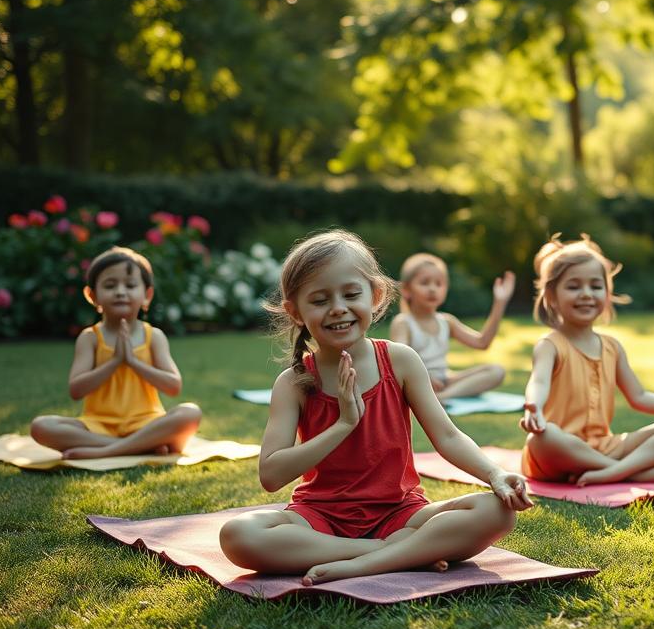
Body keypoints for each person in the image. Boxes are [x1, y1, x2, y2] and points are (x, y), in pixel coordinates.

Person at [219, 229, 532, 585]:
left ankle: (363, 562)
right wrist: (343, 424)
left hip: (401, 515)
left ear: (376, 295)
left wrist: (494, 474)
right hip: (320, 520)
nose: (338, 308)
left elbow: (447, 435)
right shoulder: (292, 383)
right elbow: (271, 475)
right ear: (295, 312)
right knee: (238, 535)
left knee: (497, 512)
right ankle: (393, 553)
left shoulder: (400, 361)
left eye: (351, 294)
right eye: (320, 300)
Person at [519, 234, 654, 486]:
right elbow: (538, 382)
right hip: (557, 452)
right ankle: (630, 473)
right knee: (543, 436)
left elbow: (639, 396)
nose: (586, 294)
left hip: (606, 446)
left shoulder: (612, 347)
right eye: (573, 286)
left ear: (607, 292)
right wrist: (534, 406)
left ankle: (613, 471)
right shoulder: (550, 345)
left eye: (595, 286)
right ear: (551, 296)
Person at [30, 247, 201, 459]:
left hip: (147, 423)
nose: (121, 291)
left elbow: (173, 386)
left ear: (147, 295)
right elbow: (76, 389)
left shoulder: (154, 336)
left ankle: (109, 450)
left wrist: (132, 362)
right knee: (41, 426)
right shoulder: (90, 338)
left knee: (190, 413)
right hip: (97, 425)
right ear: (93, 296)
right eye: (110, 285)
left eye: (130, 285)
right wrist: (115, 361)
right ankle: (140, 447)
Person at [389, 253, 514, 401]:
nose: (432, 289)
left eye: (438, 283)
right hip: (417, 381)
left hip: (444, 381)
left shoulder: (447, 321)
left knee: (496, 371)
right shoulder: (403, 323)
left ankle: (443, 396)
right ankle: (440, 396)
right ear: (406, 290)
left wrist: (500, 302)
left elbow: (482, 343)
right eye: (424, 283)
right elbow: (399, 360)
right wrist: (426, 378)